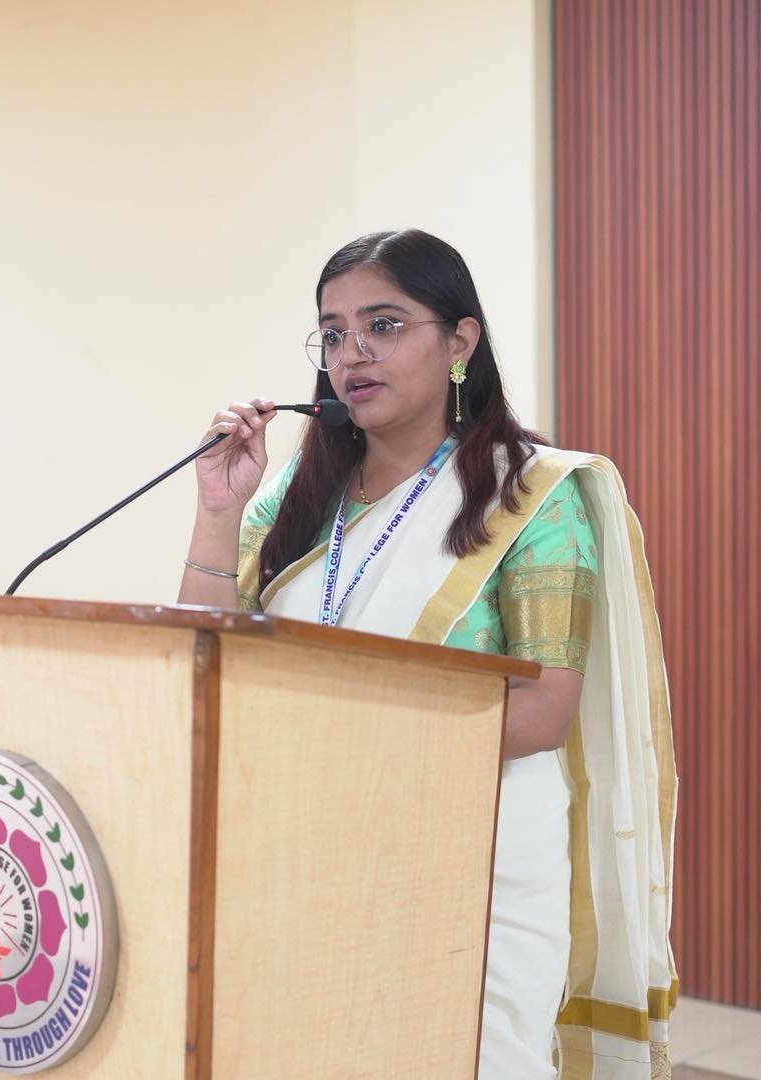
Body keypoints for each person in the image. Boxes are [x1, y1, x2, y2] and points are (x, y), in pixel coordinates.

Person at [178, 230, 677, 1079]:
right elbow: (204, 658)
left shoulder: (534, 496)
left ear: (459, 341)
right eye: (332, 333)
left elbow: (546, 711)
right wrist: (220, 512)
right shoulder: (300, 500)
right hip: (308, 848)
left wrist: (336, 742)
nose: (352, 353)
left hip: (472, 869)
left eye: (383, 323)